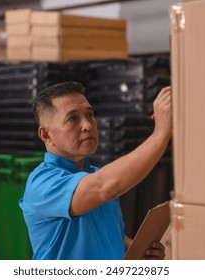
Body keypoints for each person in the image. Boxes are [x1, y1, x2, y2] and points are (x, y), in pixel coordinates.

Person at [19, 81, 172, 260]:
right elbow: (102, 187)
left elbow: (106, 232)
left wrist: (137, 252)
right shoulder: (42, 184)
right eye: (73, 118)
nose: (88, 125)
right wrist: (161, 133)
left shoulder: (94, 174)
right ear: (46, 135)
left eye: (90, 115)